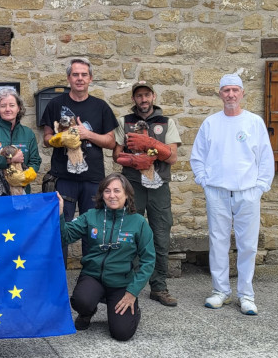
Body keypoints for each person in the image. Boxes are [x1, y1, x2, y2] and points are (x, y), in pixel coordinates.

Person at [190, 74, 274, 316]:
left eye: (235, 90)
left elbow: (266, 159)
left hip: (248, 192)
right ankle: (221, 292)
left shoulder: (254, 122)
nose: (231, 95)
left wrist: (259, 187)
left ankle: (246, 295)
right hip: (217, 192)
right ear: (220, 94)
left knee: (248, 245)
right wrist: (205, 183)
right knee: (218, 242)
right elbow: (198, 157)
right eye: (226, 90)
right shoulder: (210, 123)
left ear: (243, 93)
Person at [60, 173, 155, 341]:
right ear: (101, 195)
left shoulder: (139, 222)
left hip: (121, 283)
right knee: (82, 300)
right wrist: (60, 215)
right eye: (107, 191)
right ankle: (86, 313)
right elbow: (65, 236)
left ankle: (133, 311)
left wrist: (132, 292)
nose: (112, 195)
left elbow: (148, 261)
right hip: (93, 277)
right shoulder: (90, 216)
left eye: (117, 191)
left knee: (122, 333)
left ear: (127, 194)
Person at [41, 58, 118, 261]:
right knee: (60, 228)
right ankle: (58, 283)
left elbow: (111, 142)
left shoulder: (100, 106)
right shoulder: (56, 104)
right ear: (68, 78)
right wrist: (61, 139)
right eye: (75, 74)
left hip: (92, 178)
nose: (80, 78)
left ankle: (90, 281)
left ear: (90, 79)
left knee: (92, 230)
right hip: (63, 178)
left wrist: (87, 134)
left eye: (84, 74)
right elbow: (46, 139)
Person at [112, 81, 181, 307]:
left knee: (160, 235)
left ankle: (159, 287)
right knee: (127, 234)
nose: (143, 99)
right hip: (132, 186)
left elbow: (172, 157)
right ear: (134, 99)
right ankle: (125, 285)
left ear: (153, 96)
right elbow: (116, 155)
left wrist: (152, 144)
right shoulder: (125, 122)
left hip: (159, 185)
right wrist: (133, 159)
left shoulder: (166, 123)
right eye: (139, 96)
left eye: (147, 95)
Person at [0, 88, 41, 196]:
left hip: (21, 192)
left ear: (18, 108)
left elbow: (35, 161)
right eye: (3, 106)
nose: (8, 109)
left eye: (12, 105)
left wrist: (25, 177)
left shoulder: (28, 133)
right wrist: (9, 160)